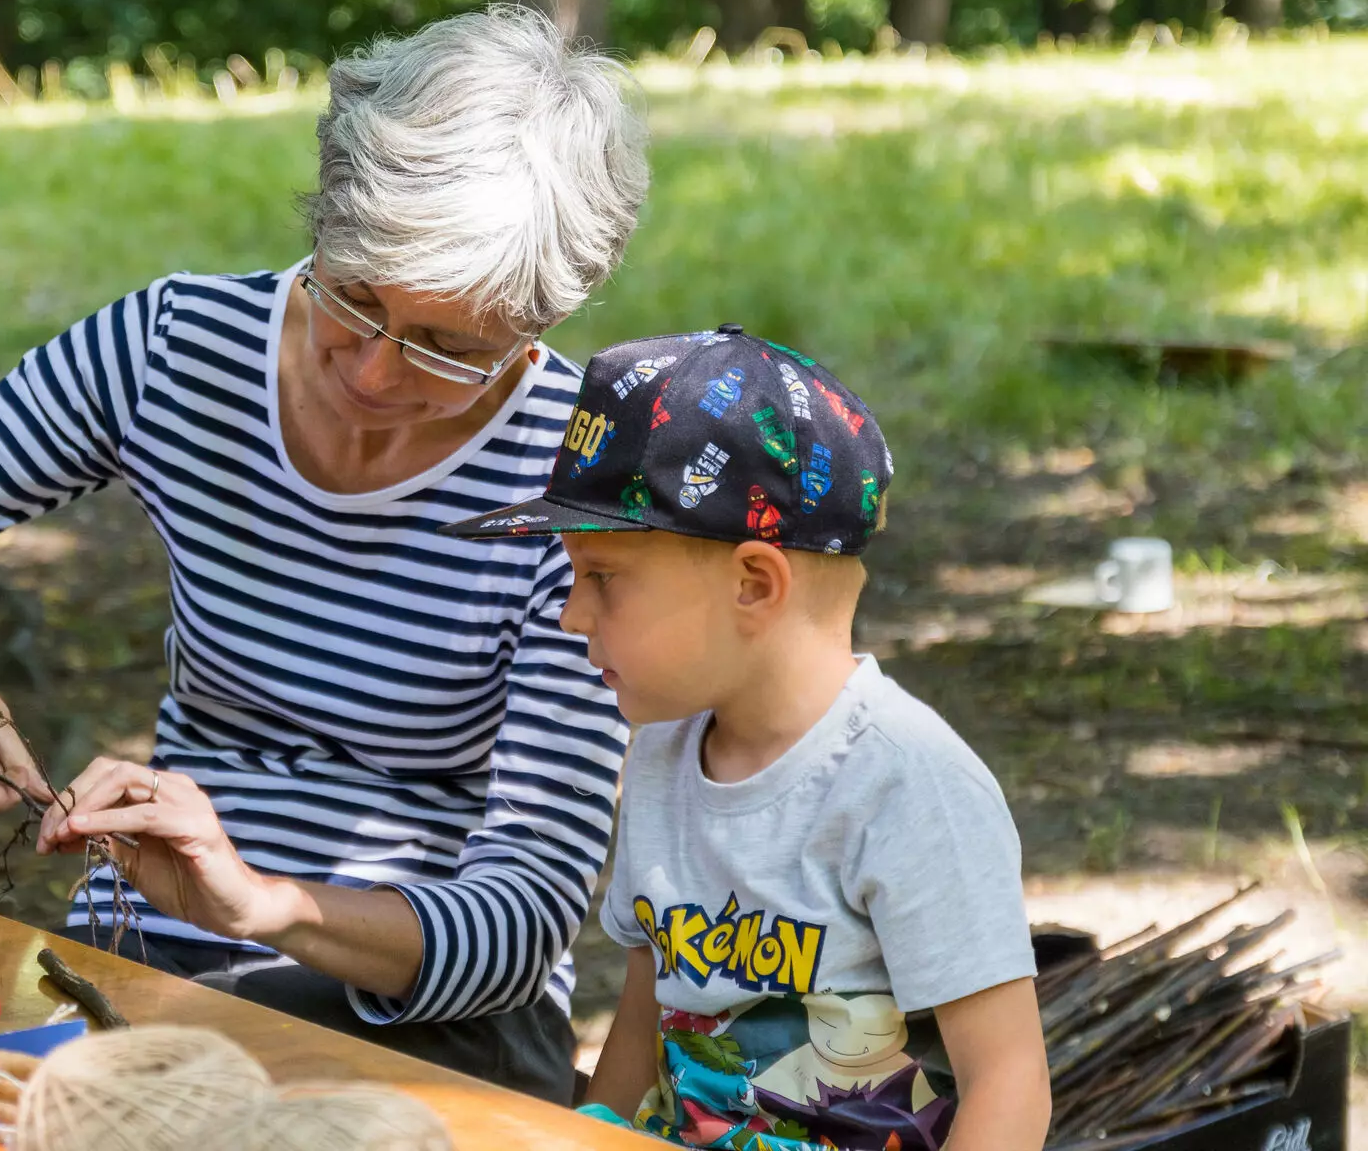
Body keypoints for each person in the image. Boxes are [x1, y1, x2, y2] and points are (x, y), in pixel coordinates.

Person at [0, 4, 650, 1102]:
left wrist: (264, 901)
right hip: (155, 957)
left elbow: (522, 916)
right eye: (352, 298)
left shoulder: (581, 480)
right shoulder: (179, 348)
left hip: (427, 1016)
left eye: (446, 350)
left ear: (539, 322)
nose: (370, 374)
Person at [440, 326, 1051, 1148]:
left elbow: (1009, 1087)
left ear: (756, 584)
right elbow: (643, 1015)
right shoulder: (665, 749)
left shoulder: (909, 784)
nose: (569, 614)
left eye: (603, 580)